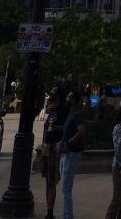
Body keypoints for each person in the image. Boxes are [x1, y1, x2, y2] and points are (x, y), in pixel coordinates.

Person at [41, 87, 68, 219]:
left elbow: (69, 128)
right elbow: (46, 127)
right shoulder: (52, 110)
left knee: (51, 181)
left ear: (59, 96)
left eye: (54, 91)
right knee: (47, 180)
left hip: (55, 148)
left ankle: (50, 213)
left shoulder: (63, 110)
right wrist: (43, 144)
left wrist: (60, 128)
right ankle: (49, 210)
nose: (51, 93)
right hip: (47, 147)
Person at [59, 89, 86, 219]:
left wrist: (68, 144)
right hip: (66, 153)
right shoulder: (71, 113)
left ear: (74, 100)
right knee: (64, 188)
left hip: (72, 153)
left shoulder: (77, 114)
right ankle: (66, 214)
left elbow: (81, 131)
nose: (67, 99)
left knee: (66, 188)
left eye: (69, 97)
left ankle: (68, 216)